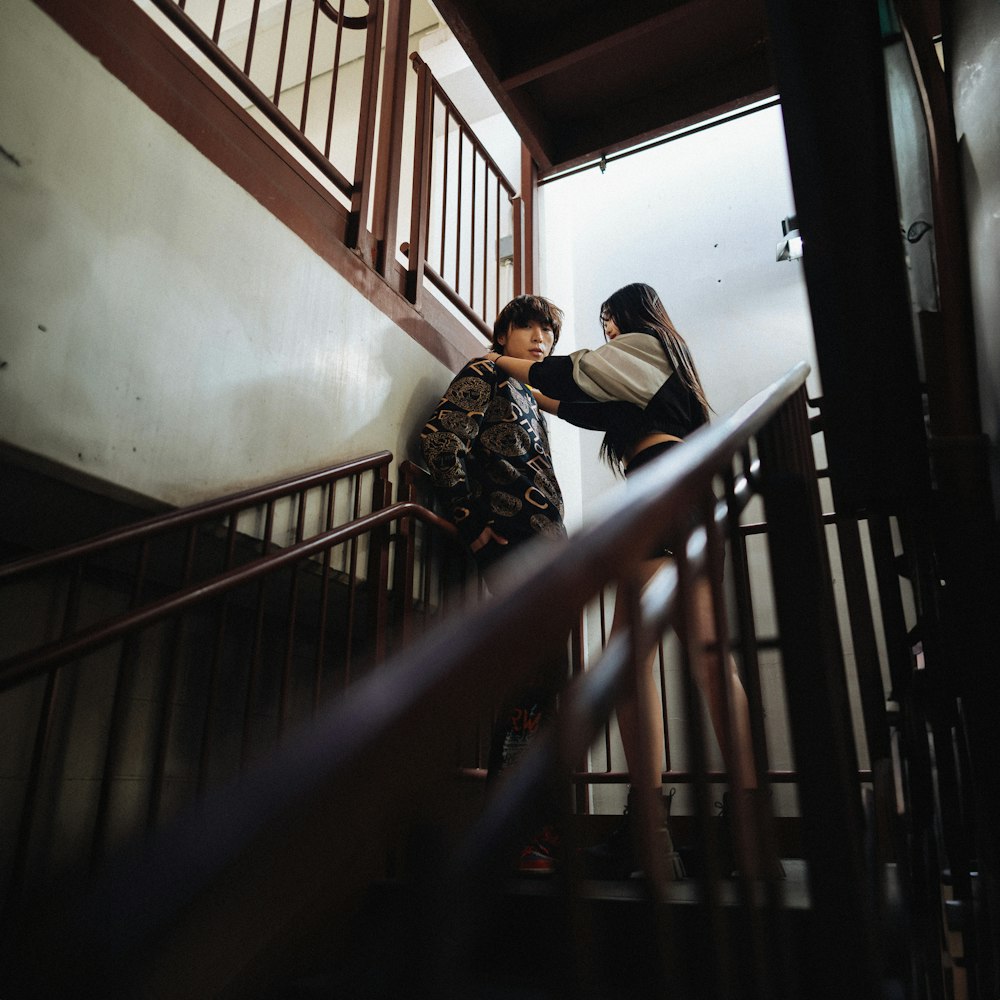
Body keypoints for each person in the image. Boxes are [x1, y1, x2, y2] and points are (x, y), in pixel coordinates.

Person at [486, 282, 780, 880]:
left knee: (627, 663)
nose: (607, 334)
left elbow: (571, 374)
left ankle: (649, 837)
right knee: (709, 664)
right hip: (691, 497)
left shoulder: (647, 343)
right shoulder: (661, 376)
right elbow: (586, 407)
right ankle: (753, 840)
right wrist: (538, 395)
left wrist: (492, 361)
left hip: (662, 487)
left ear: (628, 314)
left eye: (608, 321)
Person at [420, 294, 568, 874]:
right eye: (528, 327)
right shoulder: (483, 372)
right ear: (504, 331)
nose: (539, 339)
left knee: (545, 684)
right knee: (531, 678)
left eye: (547, 332)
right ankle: (514, 834)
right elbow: (441, 440)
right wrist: (472, 523)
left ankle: (533, 831)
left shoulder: (528, 394)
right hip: (514, 546)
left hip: (548, 549)